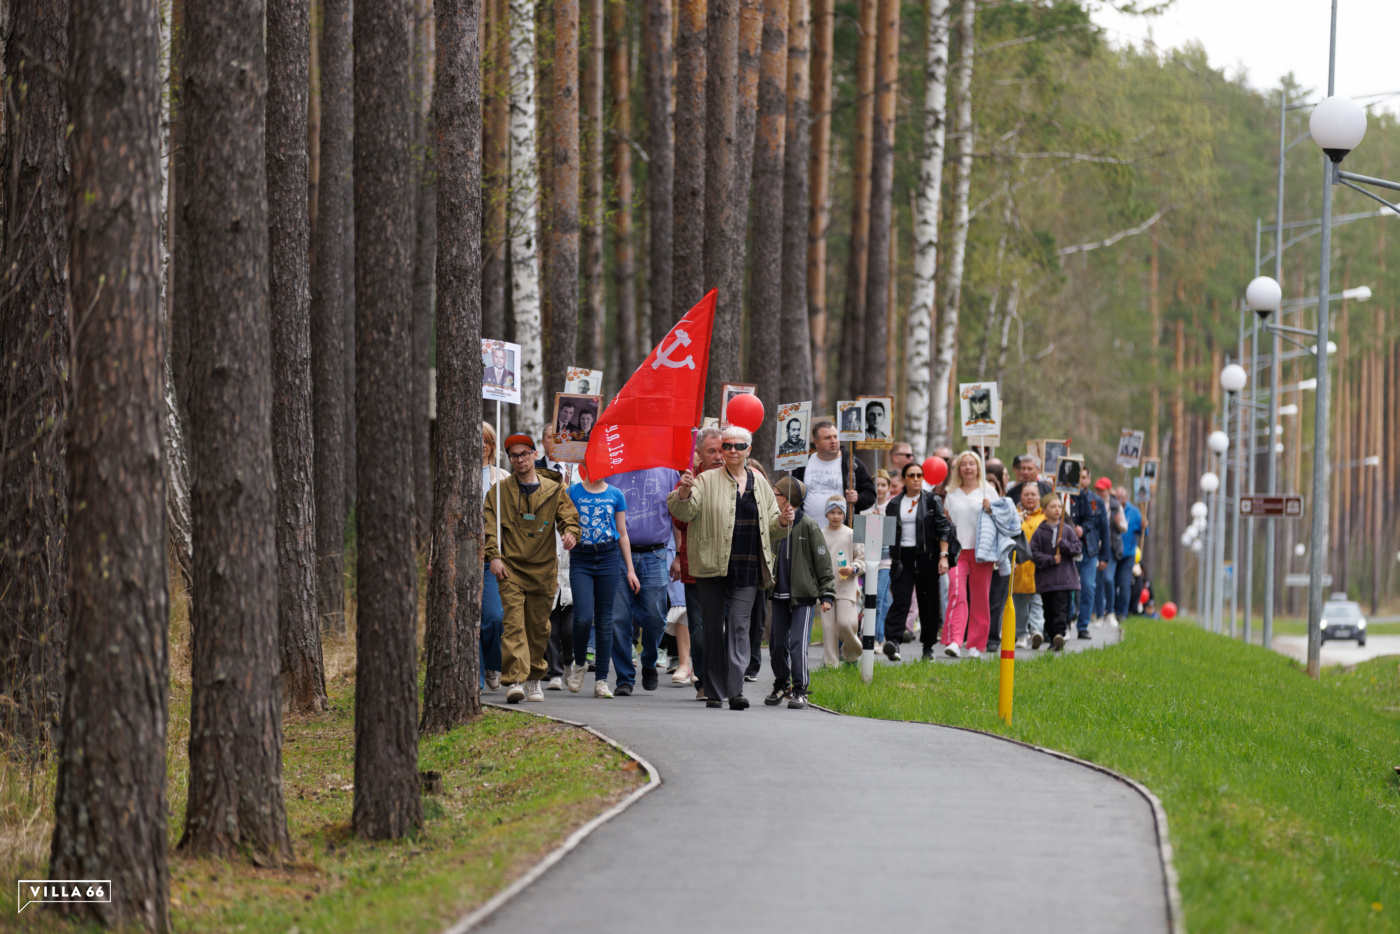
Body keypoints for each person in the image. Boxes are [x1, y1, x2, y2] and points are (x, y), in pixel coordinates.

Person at [667, 426, 794, 709]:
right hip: (711, 564)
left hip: (748, 565)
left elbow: (773, 526)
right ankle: (713, 690)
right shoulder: (705, 479)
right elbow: (684, 513)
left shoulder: (760, 482)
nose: (732, 451)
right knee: (712, 628)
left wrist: (783, 521)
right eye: (727, 446)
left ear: (749, 450)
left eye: (738, 446)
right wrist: (684, 493)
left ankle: (736, 691)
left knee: (739, 626)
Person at [484, 434, 581, 702]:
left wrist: (570, 533)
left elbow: (569, 517)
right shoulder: (499, 492)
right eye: (514, 455)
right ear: (509, 459)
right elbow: (490, 527)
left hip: (543, 569)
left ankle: (534, 677)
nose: (520, 459)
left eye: (524, 454)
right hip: (510, 568)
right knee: (513, 624)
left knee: (539, 629)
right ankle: (515, 680)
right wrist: (494, 556)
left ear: (535, 454)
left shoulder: (554, 489)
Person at [565, 467, 642, 699]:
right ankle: (580, 663)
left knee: (605, 620)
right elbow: (564, 522)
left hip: (609, 556)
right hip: (581, 557)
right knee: (582, 617)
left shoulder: (616, 494)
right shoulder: (572, 492)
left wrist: (630, 569)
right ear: (584, 466)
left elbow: (622, 533)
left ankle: (601, 680)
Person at [609, 462, 680, 695]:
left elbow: (677, 515)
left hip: (655, 553)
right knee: (619, 618)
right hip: (618, 554)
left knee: (656, 617)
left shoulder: (668, 471)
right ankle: (624, 677)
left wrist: (679, 554)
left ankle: (649, 660)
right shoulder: (613, 469)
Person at [765, 477, 836, 709]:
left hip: (803, 597)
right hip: (779, 595)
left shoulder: (808, 525)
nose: (773, 497)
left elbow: (823, 561)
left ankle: (800, 689)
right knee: (777, 645)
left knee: (797, 643)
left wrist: (826, 594)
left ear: (786, 499)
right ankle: (782, 683)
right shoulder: (775, 523)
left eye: (776, 493)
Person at [883, 461, 954, 661]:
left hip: (927, 557)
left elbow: (943, 528)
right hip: (902, 558)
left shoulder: (931, 500)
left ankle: (928, 647)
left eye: (919, 475)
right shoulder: (894, 504)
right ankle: (893, 641)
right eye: (911, 475)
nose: (915, 479)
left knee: (928, 602)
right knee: (901, 600)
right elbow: (889, 534)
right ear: (904, 479)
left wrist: (943, 556)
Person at [672, 427, 724, 701]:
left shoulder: (737, 479)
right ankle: (704, 681)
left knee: (727, 626)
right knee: (700, 629)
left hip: (729, 566)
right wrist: (685, 493)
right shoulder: (689, 480)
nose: (719, 456)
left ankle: (726, 679)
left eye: (722, 450)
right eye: (712, 451)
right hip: (697, 567)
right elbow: (680, 522)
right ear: (699, 453)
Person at [942, 450, 997, 658]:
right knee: (956, 592)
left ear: (978, 467)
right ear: (958, 469)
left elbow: (1003, 517)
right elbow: (946, 525)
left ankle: (976, 644)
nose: (967, 467)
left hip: (982, 552)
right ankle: (955, 640)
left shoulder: (988, 491)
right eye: (963, 464)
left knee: (980, 598)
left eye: (971, 464)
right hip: (957, 552)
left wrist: (991, 509)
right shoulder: (951, 493)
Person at [790, 419, 876, 522]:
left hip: (842, 529)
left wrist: (858, 498)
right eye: (827, 438)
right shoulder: (803, 464)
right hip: (807, 529)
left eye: (835, 436)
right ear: (816, 442)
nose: (833, 441)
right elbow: (791, 496)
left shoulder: (852, 464)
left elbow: (870, 494)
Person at [1030, 495, 1082, 651]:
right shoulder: (1039, 532)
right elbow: (1034, 554)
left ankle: (1059, 634)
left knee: (1060, 609)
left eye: (1059, 507)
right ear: (1044, 510)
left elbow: (1077, 548)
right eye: (1053, 507)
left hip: (1063, 579)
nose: (1057, 510)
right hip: (1046, 581)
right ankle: (1052, 636)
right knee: (1048, 611)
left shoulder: (1067, 530)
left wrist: (1064, 544)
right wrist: (1051, 559)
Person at [819, 495, 865, 668]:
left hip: (846, 586)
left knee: (847, 624)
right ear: (826, 513)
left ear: (844, 514)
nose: (836, 516)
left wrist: (853, 568)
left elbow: (862, 559)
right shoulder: (819, 534)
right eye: (832, 512)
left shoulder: (851, 534)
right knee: (829, 628)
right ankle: (830, 664)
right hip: (826, 588)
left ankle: (852, 654)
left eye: (839, 513)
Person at [480, 422, 508, 690]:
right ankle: (475, 677)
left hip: (492, 557)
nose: (482, 445)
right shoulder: (455, 474)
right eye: (478, 439)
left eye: (486, 440)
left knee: (493, 616)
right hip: (461, 556)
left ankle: (492, 663)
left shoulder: (502, 477)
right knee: (468, 618)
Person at [1070, 468, 1110, 639]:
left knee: (1087, 586)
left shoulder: (1097, 501)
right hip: (1069, 550)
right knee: (1068, 587)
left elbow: (1105, 529)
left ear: (1089, 479)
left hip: (1090, 550)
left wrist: (1104, 557)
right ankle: (1067, 619)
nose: (1081, 480)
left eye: (1084, 477)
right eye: (1078, 477)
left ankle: (1083, 625)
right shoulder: (1067, 497)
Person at [862, 470, 895, 649]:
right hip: (867, 560)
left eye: (883, 485)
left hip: (885, 561)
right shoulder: (865, 509)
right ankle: (868, 634)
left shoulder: (892, 507)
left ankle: (877, 638)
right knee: (870, 598)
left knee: (879, 597)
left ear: (889, 488)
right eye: (877, 485)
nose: (880, 488)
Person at [1012, 483, 1046, 648]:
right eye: (1026, 495)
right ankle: (1021, 634)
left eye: (1033, 494)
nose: (1030, 497)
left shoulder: (1044, 517)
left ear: (1039, 497)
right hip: (1019, 566)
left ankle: (1037, 631)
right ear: (1021, 497)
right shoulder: (1014, 515)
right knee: (1019, 604)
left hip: (1038, 568)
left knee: (1037, 602)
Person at [1113, 486, 1146, 623]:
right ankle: (1110, 610)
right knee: (1111, 582)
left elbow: (1143, 533)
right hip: (1113, 552)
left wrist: (1144, 526)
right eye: (1117, 496)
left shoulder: (1135, 512)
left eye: (1122, 496)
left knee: (1124, 583)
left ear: (1126, 497)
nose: (1119, 499)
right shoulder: (1111, 508)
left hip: (1128, 554)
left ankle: (1122, 613)